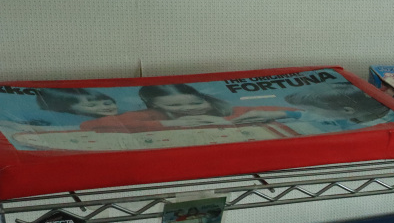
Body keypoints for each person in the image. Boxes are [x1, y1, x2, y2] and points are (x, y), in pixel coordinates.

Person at [80, 83, 294, 132]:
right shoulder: (152, 115)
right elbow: (89, 126)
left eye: (196, 102)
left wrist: (283, 113)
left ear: (205, 99)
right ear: (154, 105)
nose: (190, 108)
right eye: (176, 106)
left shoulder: (226, 109)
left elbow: (298, 112)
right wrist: (168, 123)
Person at [285, 86, 394, 131]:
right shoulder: (344, 118)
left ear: (347, 110)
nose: (310, 112)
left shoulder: (391, 121)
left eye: (313, 110)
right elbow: (305, 115)